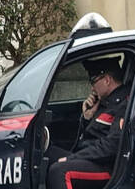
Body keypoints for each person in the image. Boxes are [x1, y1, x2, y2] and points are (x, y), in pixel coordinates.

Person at [46, 57, 130, 189]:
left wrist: (72, 159)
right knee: (45, 153)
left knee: (59, 172)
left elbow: (112, 146)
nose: (92, 87)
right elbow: (89, 136)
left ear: (107, 80)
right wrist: (87, 117)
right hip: (89, 156)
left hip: (105, 165)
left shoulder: (124, 104)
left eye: (93, 81)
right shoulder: (103, 102)